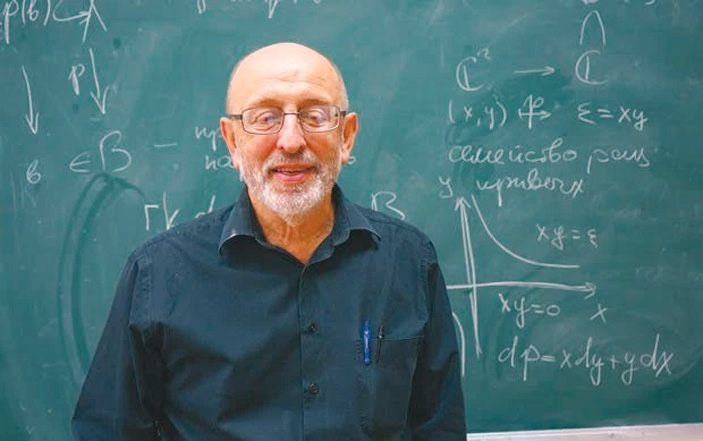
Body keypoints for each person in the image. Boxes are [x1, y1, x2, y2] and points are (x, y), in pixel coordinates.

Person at [72, 42, 466, 440]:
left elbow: (439, 429)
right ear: (232, 141)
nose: (291, 141)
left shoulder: (408, 260)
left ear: (346, 136)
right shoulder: (158, 273)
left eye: (315, 116)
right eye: (265, 118)